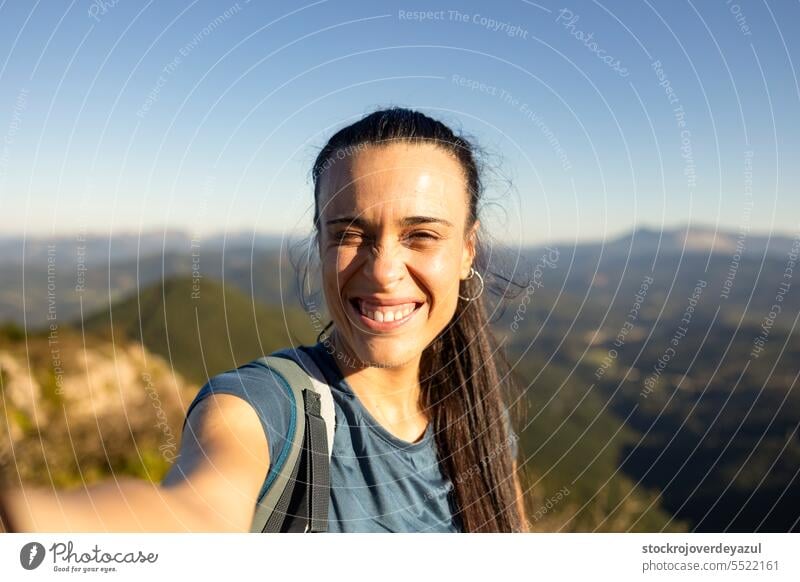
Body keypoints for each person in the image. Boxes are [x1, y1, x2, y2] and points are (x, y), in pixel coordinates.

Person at [1, 107, 527, 533]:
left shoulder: (481, 422)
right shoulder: (266, 408)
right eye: (349, 233)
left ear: (466, 251)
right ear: (319, 245)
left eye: (422, 235)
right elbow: (195, 515)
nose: (385, 270)